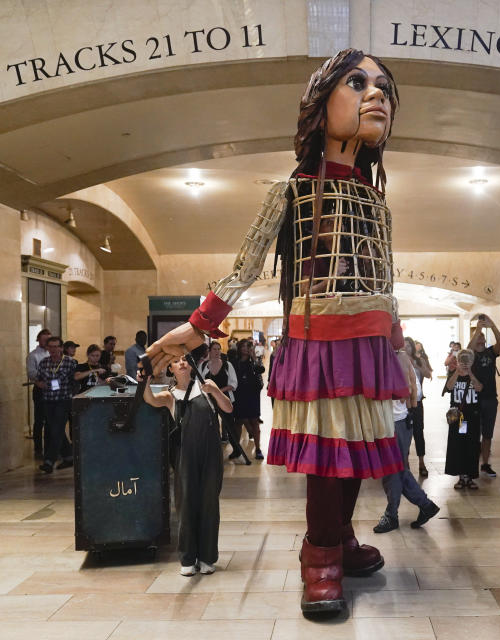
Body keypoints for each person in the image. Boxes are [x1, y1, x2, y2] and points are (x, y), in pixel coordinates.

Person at [144, 48, 405, 615]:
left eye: (382, 85)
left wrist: (397, 331)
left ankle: (342, 537)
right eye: (357, 83)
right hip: (318, 341)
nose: (376, 94)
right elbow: (246, 266)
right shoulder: (289, 191)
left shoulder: (378, 200)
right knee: (327, 458)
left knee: (359, 454)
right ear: (321, 103)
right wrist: (195, 328)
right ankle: (321, 556)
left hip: (370, 343)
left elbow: (385, 273)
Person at [144, 355, 232, 575]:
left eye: (185, 360)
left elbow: (228, 408)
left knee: (209, 503)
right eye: (176, 361)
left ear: (192, 366)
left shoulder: (206, 388)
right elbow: (150, 400)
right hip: (185, 455)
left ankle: (207, 558)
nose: (182, 363)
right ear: (171, 369)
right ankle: (187, 559)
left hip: (211, 454)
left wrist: (216, 391)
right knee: (186, 504)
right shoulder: (170, 395)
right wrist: (144, 380)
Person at [373, 346, 439, 533]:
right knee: (397, 469)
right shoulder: (399, 357)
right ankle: (425, 505)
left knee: (393, 470)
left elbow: (416, 390)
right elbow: (415, 390)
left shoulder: (396, 357)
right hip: (395, 421)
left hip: (394, 422)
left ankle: (392, 514)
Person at [35, 336, 77, 473]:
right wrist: (39, 384)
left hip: (63, 400)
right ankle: (69, 457)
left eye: (56, 346)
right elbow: (38, 379)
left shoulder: (70, 362)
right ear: (47, 348)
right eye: (50, 347)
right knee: (55, 429)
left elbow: (74, 381)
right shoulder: (43, 363)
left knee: (57, 429)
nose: (53, 349)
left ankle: (49, 461)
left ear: (61, 348)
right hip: (48, 400)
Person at [468, 314, 500, 477]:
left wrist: (492, 326)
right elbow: (469, 348)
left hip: (490, 399)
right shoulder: (470, 355)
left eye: (482, 336)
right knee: (474, 433)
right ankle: (471, 464)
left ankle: (485, 464)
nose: (480, 338)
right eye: (477, 336)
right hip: (474, 399)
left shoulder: (490, 352)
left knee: (488, 434)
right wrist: (478, 329)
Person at [443, 349, 483, 489]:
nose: (465, 364)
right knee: (459, 444)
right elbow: (448, 387)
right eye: (462, 361)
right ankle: (461, 476)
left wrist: (470, 372)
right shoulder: (454, 374)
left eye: (468, 361)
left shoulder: (476, 373)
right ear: (458, 361)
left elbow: (478, 388)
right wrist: (457, 371)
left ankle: (470, 476)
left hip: (473, 416)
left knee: (472, 445)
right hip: (459, 418)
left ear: (472, 361)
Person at [199, 341, 244, 461]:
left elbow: (234, 384)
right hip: (208, 400)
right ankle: (213, 451)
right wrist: (211, 392)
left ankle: (236, 449)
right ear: (209, 351)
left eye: (219, 349)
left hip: (225, 399)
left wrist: (217, 391)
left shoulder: (227, 365)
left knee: (230, 425)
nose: (217, 351)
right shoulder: (203, 366)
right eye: (214, 349)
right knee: (211, 425)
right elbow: (199, 383)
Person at [232, 338, 266, 460]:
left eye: (248, 347)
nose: (245, 349)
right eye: (243, 347)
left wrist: (254, 357)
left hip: (252, 394)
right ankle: (237, 449)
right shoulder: (235, 362)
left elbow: (261, 369)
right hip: (239, 394)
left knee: (254, 421)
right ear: (239, 348)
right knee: (238, 422)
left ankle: (258, 449)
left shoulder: (254, 361)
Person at [404, 337, 432, 477]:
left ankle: (422, 463)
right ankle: (406, 463)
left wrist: (418, 365)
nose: (406, 348)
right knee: (405, 433)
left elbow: (428, 375)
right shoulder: (399, 360)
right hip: (405, 403)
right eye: (404, 345)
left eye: (409, 346)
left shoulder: (419, 360)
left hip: (418, 402)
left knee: (418, 432)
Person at [26, 328, 51, 458]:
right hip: (40, 389)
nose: (47, 342)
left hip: (52, 389)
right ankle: (38, 448)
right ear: (38, 340)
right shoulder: (33, 355)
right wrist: (45, 376)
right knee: (39, 420)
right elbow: (31, 373)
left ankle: (48, 447)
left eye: (49, 339)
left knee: (49, 420)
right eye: (44, 339)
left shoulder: (52, 354)